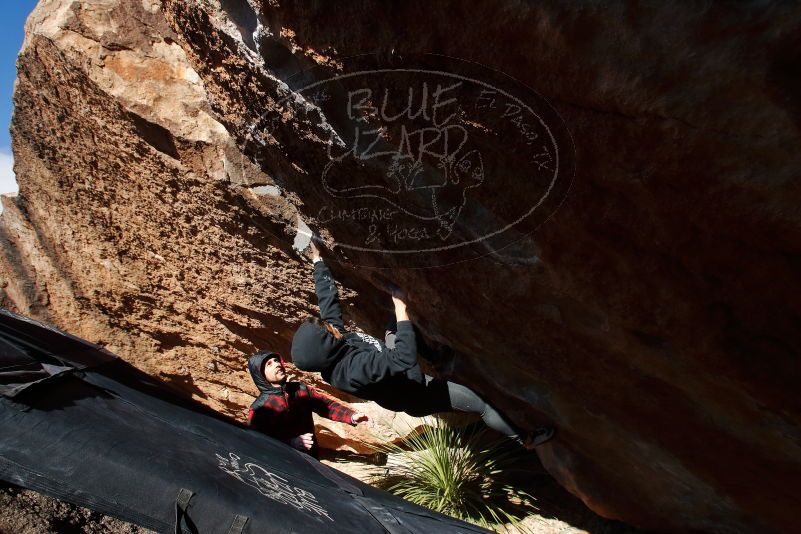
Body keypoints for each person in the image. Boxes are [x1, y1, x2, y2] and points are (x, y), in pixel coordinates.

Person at [290, 240, 555, 449]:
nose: (331, 326)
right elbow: (404, 359)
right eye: (327, 330)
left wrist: (317, 259)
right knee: (480, 403)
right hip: (416, 389)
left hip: (395, 368)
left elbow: (328, 303)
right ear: (326, 347)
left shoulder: (335, 347)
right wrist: (400, 307)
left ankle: (438, 358)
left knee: (394, 329)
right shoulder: (353, 369)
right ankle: (525, 439)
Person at [247, 349, 369, 458]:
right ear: (260, 374)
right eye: (269, 364)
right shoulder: (259, 409)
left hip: (311, 456)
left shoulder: (300, 389)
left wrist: (352, 416)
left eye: (276, 360)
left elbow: (326, 405)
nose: (277, 364)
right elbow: (259, 443)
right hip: (284, 464)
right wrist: (291, 443)